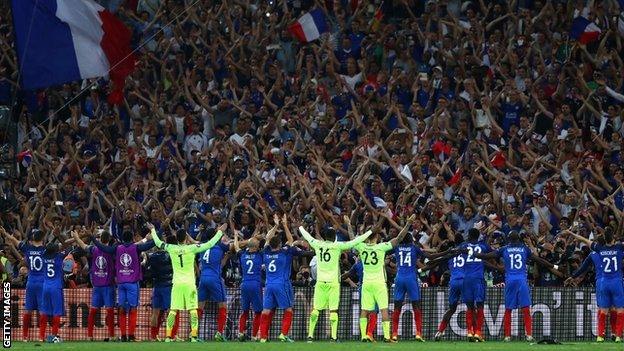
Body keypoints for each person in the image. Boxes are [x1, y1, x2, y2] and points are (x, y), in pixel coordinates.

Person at [475, 231, 562, 342]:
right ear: (518, 239)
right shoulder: (524, 249)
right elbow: (539, 260)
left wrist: (474, 254)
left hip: (510, 281)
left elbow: (486, 256)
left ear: (509, 239)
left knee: (508, 309)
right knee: (526, 308)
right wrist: (554, 266)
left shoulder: (504, 249)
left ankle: (507, 336)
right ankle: (529, 335)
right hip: (522, 280)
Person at [148, 222, 226, 342]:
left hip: (177, 284)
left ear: (177, 239)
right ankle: (193, 336)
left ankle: (168, 337)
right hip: (189, 284)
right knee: (193, 310)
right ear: (186, 238)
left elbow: (158, 243)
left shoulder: (171, 248)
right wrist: (220, 232)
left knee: (173, 310)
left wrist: (153, 229)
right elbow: (210, 243)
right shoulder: (192, 248)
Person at [299, 215, 372, 342]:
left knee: (316, 309)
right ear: (334, 238)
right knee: (333, 310)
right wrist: (370, 231)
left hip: (321, 282)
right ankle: (334, 337)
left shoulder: (318, 244)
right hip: (333, 283)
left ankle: (310, 335)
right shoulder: (337, 246)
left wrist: (299, 226)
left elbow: (307, 236)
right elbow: (354, 242)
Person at [388, 217, 456, 342]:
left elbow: (389, 251)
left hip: (399, 278)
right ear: (411, 241)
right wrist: (445, 253)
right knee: (416, 306)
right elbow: (430, 256)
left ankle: (394, 334)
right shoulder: (414, 248)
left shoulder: (397, 248)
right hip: (411, 278)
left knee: (397, 306)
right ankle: (418, 333)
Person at [355, 214, 416, 343]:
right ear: (377, 236)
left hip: (366, 283)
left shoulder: (361, 247)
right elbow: (399, 238)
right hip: (379, 283)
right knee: (383, 309)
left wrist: (350, 225)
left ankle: (363, 336)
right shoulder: (381, 247)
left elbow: (352, 239)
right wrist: (408, 223)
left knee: (364, 310)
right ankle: (387, 337)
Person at [92, 230, 154, 341]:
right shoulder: (136, 248)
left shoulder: (117, 248)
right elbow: (151, 244)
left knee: (121, 309)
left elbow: (104, 248)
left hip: (120, 283)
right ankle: (131, 335)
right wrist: (157, 234)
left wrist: (93, 239)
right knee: (133, 309)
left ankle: (123, 336)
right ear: (132, 239)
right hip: (132, 283)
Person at [563, 228, 624, 343]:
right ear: (614, 238)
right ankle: (617, 336)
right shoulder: (619, 248)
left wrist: (570, 233)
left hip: (603, 282)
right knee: (619, 310)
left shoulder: (598, 250)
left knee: (603, 310)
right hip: (616, 281)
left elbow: (584, 240)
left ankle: (600, 336)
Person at [259, 214, 305, 343]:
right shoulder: (285, 252)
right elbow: (290, 240)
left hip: (268, 285)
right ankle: (283, 334)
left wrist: (275, 225)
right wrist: (284, 225)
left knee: (266, 310)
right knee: (288, 309)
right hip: (281, 284)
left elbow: (267, 239)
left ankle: (263, 337)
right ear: (280, 244)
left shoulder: (266, 253)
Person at [1, 228, 46, 342]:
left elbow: (14, 240)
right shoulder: (45, 250)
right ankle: (41, 337)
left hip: (30, 282)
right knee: (42, 311)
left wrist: (5, 233)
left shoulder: (28, 249)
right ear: (42, 238)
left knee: (28, 310)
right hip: (42, 283)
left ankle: (25, 337)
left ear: (32, 238)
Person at [71, 229, 116, 341]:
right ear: (109, 240)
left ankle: (89, 336)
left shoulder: (94, 249)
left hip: (97, 285)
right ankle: (111, 336)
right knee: (109, 312)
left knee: (93, 311)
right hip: (108, 285)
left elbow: (82, 245)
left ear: (100, 239)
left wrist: (76, 236)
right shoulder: (111, 250)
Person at [197, 226, 234, 341]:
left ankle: (193, 334)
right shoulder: (220, 246)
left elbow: (220, 264)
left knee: (199, 307)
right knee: (222, 306)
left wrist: (226, 257)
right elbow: (234, 246)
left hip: (203, 278)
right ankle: (219, 333)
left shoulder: (202, 246)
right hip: (215, 278)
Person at [458, 228, 492, 342]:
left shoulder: (463, 245)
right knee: (480, 306)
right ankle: (478, 332)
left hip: (466, 278)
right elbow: (493, 255)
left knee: (470, 307)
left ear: (469, 235)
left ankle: (469, 331)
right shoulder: (483, 246)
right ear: (478, 237)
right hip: (478, 278)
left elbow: (454, 253)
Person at [40, 239, 75, 343]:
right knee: (56, 312)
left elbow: (46, 248)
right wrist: (59, 237)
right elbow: (65, 245)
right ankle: (54, 335)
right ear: (56, 250)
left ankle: (41, 337)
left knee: (44, 312)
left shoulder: (43, 256)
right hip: (56, 287)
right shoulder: (59, 256)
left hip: (45, 286)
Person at [233, 231, 263, 341]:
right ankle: (254, 336)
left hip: (244, 284)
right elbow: (267, 243)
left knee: (244, 311)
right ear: (257, 247)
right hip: (255, 284)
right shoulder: (260, 255)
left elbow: (236, 247)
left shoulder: (242, 255)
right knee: (258, 312)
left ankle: (241, 333)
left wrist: (236, 236)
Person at [145, 236, 175, 341]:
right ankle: (170, 335)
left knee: (155, 312)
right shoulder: (170, 255)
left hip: (157, 286)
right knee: (171, 312)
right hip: (168, 286)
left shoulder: (152, 256)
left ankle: (153, 337)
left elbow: (148, 272)